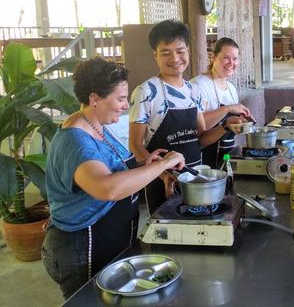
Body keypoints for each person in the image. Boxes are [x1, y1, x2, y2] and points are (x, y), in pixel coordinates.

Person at [42, 58, 185, 299]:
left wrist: (146, 166)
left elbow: (113, 170)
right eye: (120, 99)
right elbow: (106, 188)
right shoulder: (75, 141)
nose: (124, 106)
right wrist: (165, 163)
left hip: (110, 242)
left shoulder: (98, 126)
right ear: (94, 98)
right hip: (82, 249)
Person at [128, 20, 226, 214]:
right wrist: (163, 173)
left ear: (188, 51)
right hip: (162, 182)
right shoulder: (145, 91)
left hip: (195, 178)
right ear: (155, 55)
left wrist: (227, 127)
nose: (175, 58)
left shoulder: (194, 91)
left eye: (180, 50)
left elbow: (201, 138)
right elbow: (136, 145)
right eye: (166, 53)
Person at [191, 37, 253, 169]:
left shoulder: (230, 88)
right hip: (203, 159)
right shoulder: (199, 85)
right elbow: (197, 127)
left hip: (225, 154)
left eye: (235, 58)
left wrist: (240, 122)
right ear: (213, 57)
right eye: (226, 57)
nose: (231, 63)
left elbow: (228, 125)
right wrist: (227, 109)